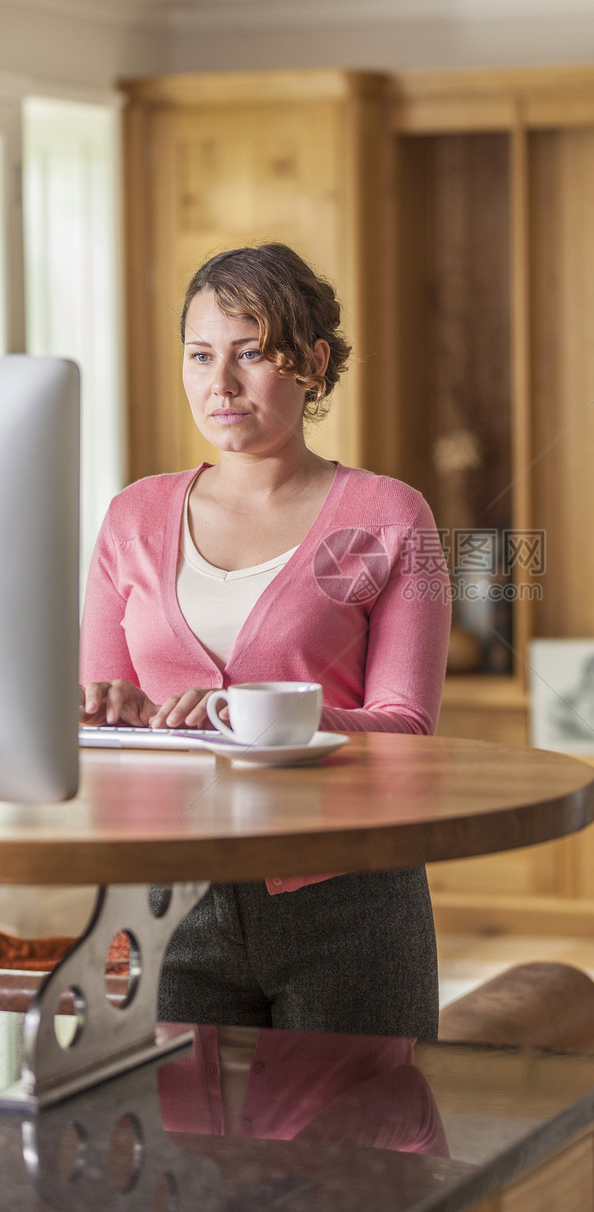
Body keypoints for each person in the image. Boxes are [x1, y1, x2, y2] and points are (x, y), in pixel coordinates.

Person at [79, 242, 451, 1039]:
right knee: (174, 1151)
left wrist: (246, 712)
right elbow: (106, 726)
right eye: (201, 356)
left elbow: (409, 726)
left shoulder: (394, 516)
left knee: (359, 1147)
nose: (221, 384)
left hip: (347, 892)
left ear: (313, 364)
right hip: (162, 896)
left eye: (251, 354)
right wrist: (107, 707)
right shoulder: (131, 518)